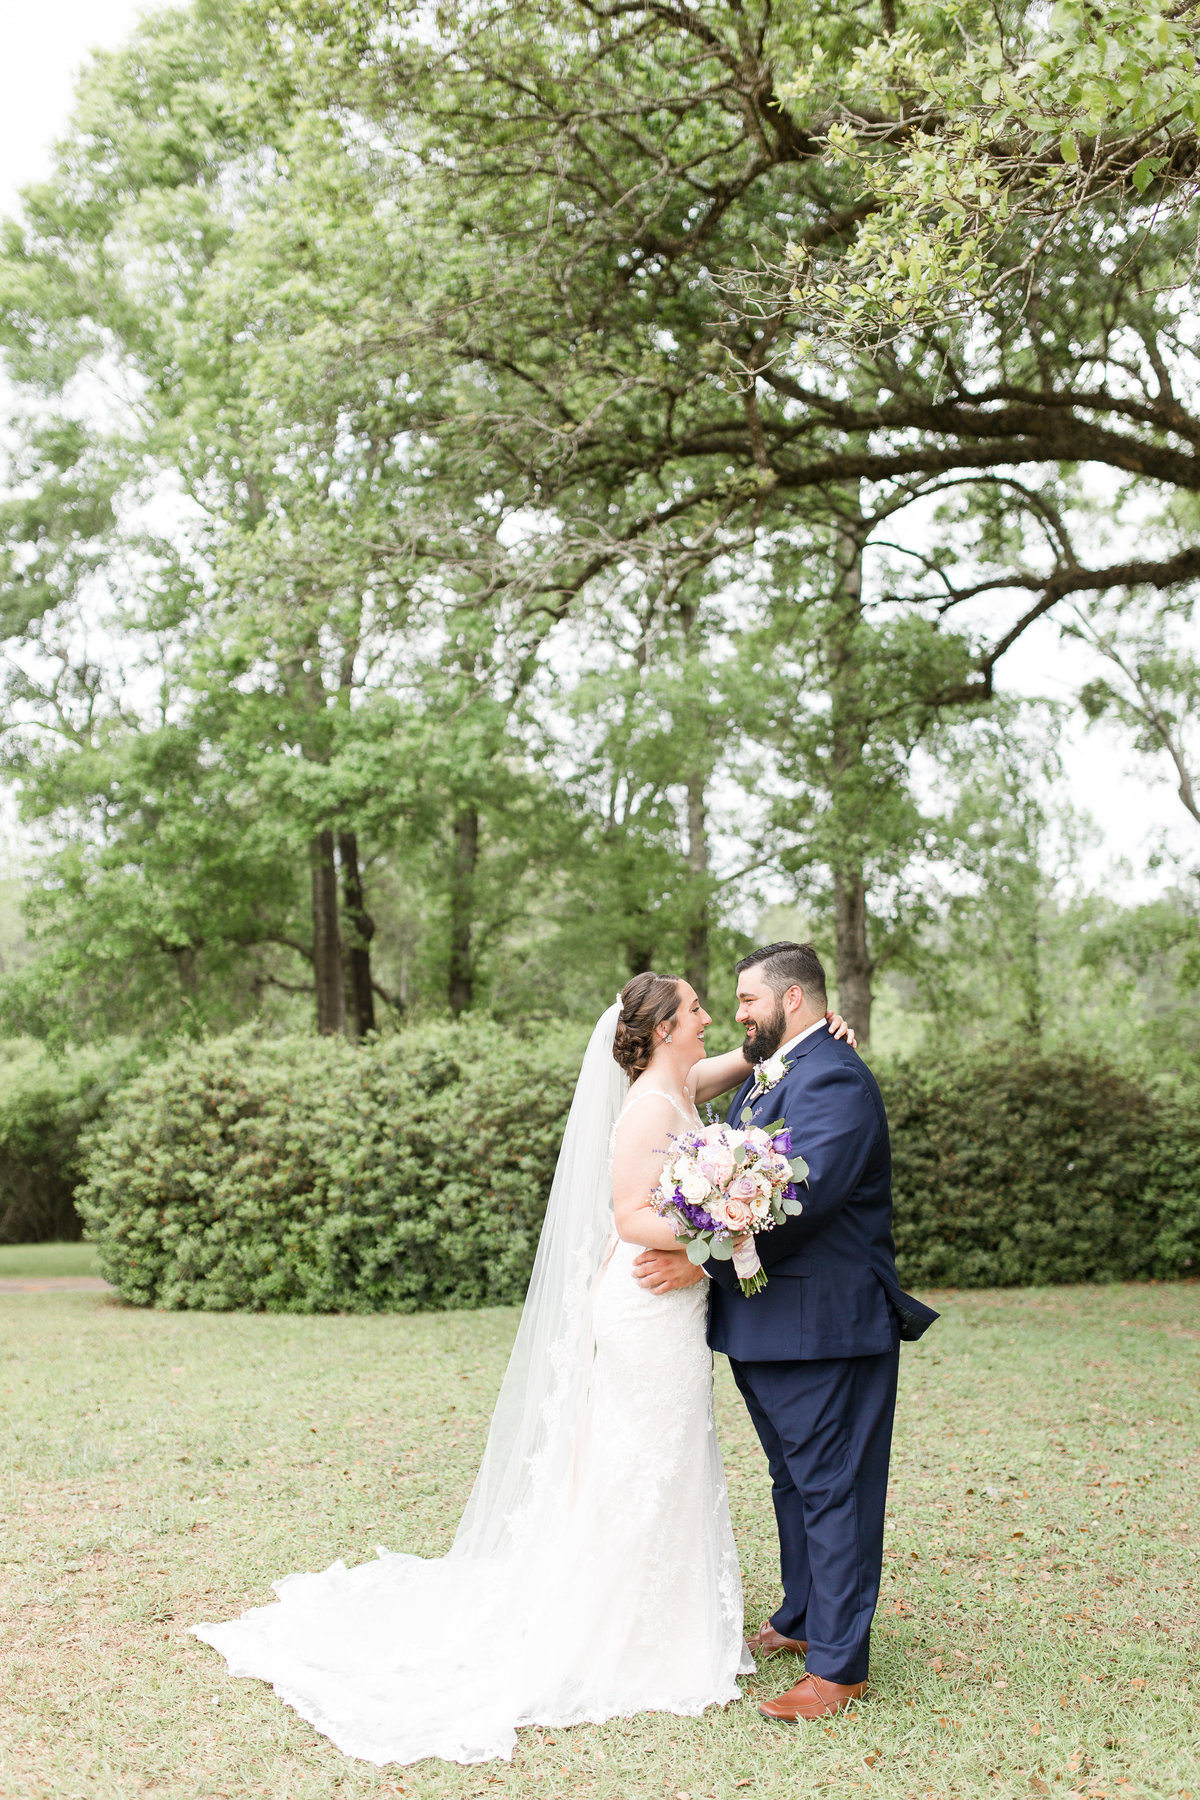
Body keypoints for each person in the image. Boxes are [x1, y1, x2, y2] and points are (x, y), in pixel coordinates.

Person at [191, 973, 855, 1765]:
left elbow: (747, 1063)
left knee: (663, 1454)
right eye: (696, 1009)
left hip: (669, 1304)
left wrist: (815, 1031)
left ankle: (661, 1619)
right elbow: (628, 1216)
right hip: (645, 1300)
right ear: (666, 1028)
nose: (710, 1016)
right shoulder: (647, 1106)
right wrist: (721, 1223)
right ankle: (621, 1629)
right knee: (643, 1455)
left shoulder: (677, 1080)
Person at [634, 941, 939, 1723]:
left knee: (833, 1487)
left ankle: (839, 1671)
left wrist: (699, 1263)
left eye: (746, 1000)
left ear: (793, 1000)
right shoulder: (777, 1070)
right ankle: (805, 1619)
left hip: (824, 1328)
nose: (737, 1014)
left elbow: (801, 1202)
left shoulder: (832, 1078)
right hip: (771, 1326)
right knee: (794, 1480)